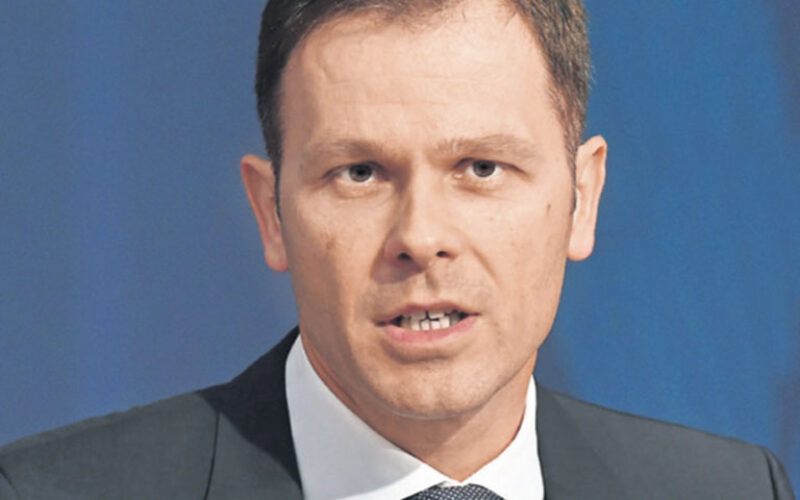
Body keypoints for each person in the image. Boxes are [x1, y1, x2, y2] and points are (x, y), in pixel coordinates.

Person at [0, 0, 794, 498]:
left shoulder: (729, 490)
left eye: (481, 168)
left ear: (583, 197)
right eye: (360, 173)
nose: (421, 237)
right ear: (270, 212)